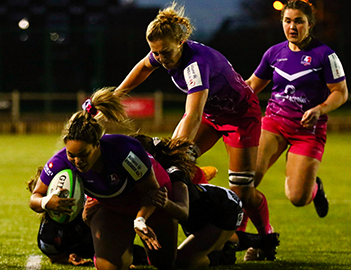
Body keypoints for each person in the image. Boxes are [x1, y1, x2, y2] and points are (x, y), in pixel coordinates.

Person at [114, 1, 274, 247]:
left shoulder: (195, 65)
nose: (160, 58)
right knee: (172, 166)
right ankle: (202, 187)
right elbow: (144, 67)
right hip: (212, 115)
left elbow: (193, 115)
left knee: (243, 190)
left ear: (180, 42)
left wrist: (176, 150)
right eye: (155, 52)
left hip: (240, 118)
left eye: (164, 53)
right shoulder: (164, 51)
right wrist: (117, 94)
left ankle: (265, 235)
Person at [29, 87, 179, 270]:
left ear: (97, 144)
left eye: (83, 154)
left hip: (149, 202)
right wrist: (46, 202)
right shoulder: (60, 162)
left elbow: (152, 192)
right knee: (108, 267)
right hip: (111, 205)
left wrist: (140, 220)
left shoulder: (125, 151)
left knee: (164, 263)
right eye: (71, 154)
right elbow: (34, 197)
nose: (77, 161)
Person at [244, 0, 348, 260]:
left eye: (298, 21)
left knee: (298, 198)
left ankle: (314, 188)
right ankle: (256, 239)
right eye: (287, 21)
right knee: (246, 181)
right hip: (274, 123)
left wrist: (320, 109)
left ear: (309, 24)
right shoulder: (273, 53)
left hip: (307, 131)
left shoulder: (325, 55)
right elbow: (251, 87)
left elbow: (341, 93)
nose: (292, 26)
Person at [131, 134, 280, 267]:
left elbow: (183, 211)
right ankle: (262, 241)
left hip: (224, 210)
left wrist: (165, 203)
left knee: (181, 262)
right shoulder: (146, 175)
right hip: (201, 213)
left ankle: (224, 256)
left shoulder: (174, 174)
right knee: (206, 241)